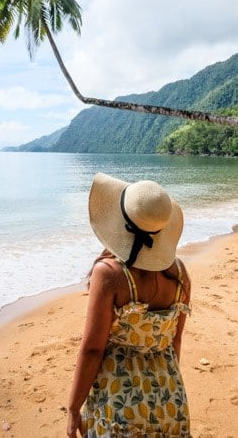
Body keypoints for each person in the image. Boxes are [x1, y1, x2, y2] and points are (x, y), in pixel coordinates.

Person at [66, 172, 192, 437]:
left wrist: (74, 408)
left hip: (119, 399)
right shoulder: (180, 274)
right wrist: (164, 387)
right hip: (169, 394)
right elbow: (176, 341)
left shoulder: (110, 274)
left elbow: (92, 349)